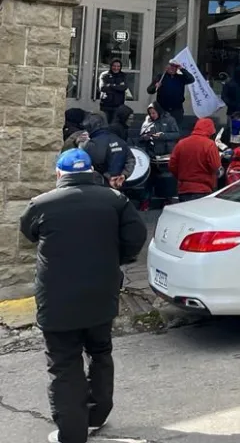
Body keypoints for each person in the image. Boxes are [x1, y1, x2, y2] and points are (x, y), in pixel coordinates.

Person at [19, 149, 146, 443]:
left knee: (64, 363)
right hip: (101, 293)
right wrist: (118, 258)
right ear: (90, 171)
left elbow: (29, 233)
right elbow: (136, 236)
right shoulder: (115, 200)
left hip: (57, 299)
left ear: (59, 173)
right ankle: (96, 415)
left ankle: (72, 433)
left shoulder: (42, 204)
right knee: (100, 352)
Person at [168, 118, 221, 202]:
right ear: (211, 131)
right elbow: (216, 167)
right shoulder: (210, 144)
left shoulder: (181, 143)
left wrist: (182, 177)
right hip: (203, 189)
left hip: (184, 189)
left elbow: (172, 165)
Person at [79, 114, 135, 190]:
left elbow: (88, 162)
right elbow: (131, 160)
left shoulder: (92, 143)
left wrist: (80, 145)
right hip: (118, 184)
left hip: (99, 186)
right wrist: (124, 175)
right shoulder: (119, 140)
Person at [147, 61, 194, 125]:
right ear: (166, 67)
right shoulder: (160, 77)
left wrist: (182, 69)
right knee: (162, 128)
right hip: (162, 109)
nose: (173, 68)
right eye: (171, 66)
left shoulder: (180, 77)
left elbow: (191, 79)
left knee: (176, 128)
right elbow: (149, 90)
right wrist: (155, 86)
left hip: (177, 110)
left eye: (175, 67)